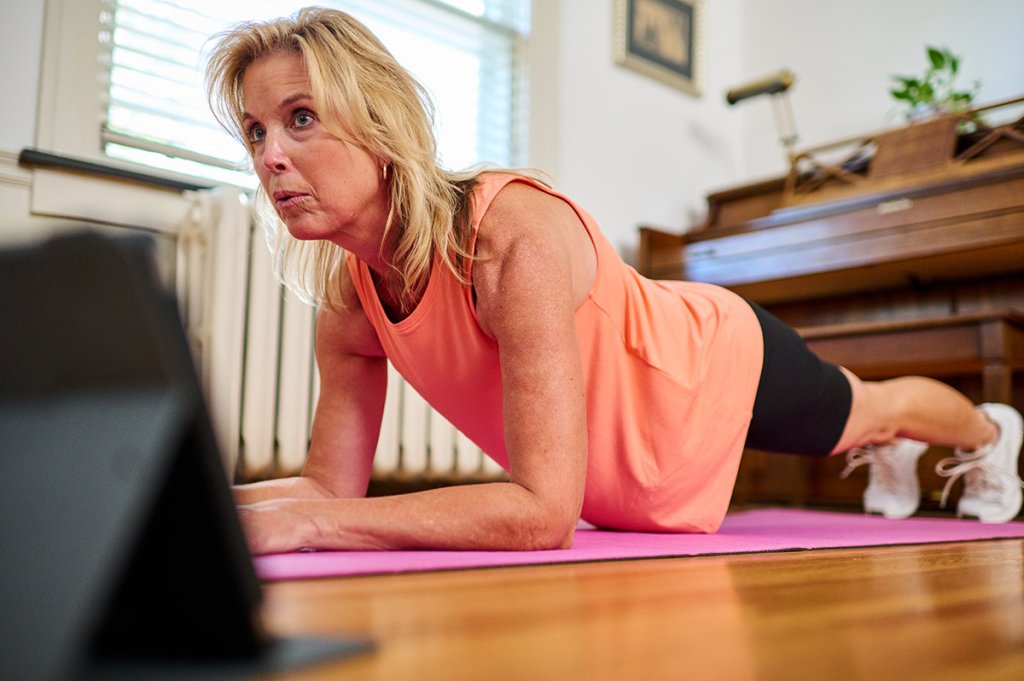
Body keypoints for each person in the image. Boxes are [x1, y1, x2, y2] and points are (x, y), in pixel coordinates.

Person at [205, 8, 1024, 555]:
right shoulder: (352, 297)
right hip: (637, 475)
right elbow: (325, 485)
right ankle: (901, 449)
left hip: (708, 366)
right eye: (255, 130)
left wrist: (316, 520)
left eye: (301, 117)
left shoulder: (505, 238)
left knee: (863, 412)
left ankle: (991, 438)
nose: (270, 155)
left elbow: (541, 510)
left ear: (378, 125)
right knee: (859, 422)